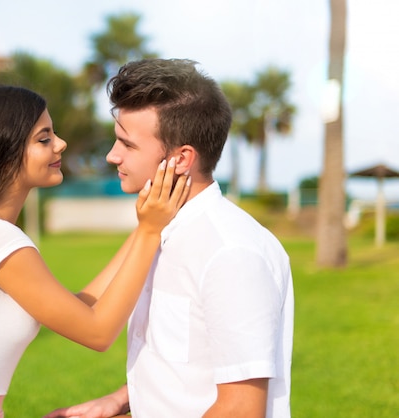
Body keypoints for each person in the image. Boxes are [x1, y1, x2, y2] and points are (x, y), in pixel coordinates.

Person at [0, 80, 191, 418]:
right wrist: (150, 232)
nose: (60, 144)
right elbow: (98, 331)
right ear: (1, 154)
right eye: (44, 139)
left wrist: (145, 226)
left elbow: (80, 308)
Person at [44, 59, 294, 418]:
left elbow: (240, 408)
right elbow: (187, 364)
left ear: (180, 159)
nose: (111, 155)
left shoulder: (231, 252)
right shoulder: (161, 232)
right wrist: (118, 401)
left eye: (126, 144)